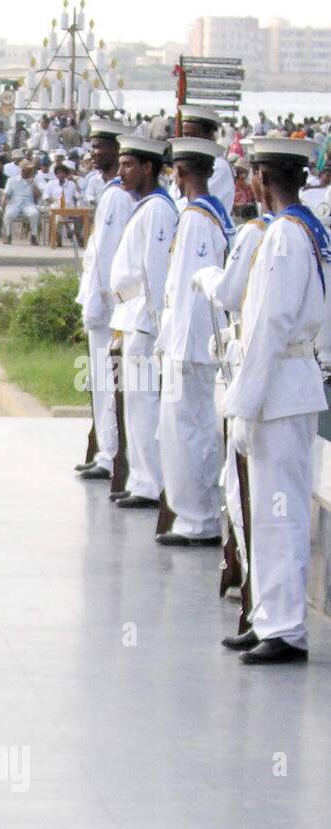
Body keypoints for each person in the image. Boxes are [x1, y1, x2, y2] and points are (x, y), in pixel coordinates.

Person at [212, 138, 330, 663]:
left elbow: (268, 326)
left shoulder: (284, 235)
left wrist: (243, 401)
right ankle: (268, 617)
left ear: (262, 179)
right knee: (267, 507)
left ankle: (285, 628)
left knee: (278, 511)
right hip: (288, 382)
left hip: (278, 387)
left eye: (252, 175)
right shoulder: (308, 228)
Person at [193, 167, 275, 602]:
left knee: (242, 486)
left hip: (253, 375)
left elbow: (228, 294)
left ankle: (248, 577)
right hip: (278, 370)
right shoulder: (311, 234)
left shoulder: (261, 234)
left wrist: (206, 278)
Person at [152, 137, 233, 547]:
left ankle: (198, 518)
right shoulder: (207, 213)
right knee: (188, 427)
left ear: (181, 172)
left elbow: (191, 288)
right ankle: (195, 513)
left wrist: (178, 348)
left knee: (188, 430)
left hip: (192, 346)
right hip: (192, 342)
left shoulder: (199, 218)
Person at [108, 134, 177, 510]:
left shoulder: (158, 210)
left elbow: (157, 271)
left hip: (142, 318)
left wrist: (153, 324)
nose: (122, 171)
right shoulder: (145, 207)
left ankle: (151, 483)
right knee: (134, 405)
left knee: (144, 404)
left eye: (129, 164)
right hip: (129, 314)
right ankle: (141, 477)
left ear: (149, 168)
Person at [74, 119, 134, 483]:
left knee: (107, 382)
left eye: (101, 145)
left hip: (109, 307)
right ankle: (106, 452)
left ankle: (111, 456)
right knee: (101, 382)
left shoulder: (117, 195)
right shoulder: (111, 190)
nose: (95, 152)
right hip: (103, 304)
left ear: (116, 150)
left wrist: (97, 303)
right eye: (93, 145)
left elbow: (109, 257)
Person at [3, 160, 42, 244]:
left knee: (34, 214)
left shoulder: (34, 180)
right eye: (29, 170)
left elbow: (39, 195)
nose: (31, 172)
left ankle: (33, 236)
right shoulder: (12, 180)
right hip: (15, 203)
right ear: (23, 170)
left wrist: (33, 185)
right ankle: (8, 235)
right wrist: (3, 202)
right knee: (9, 214)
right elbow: (7, 193)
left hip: (28, 203)